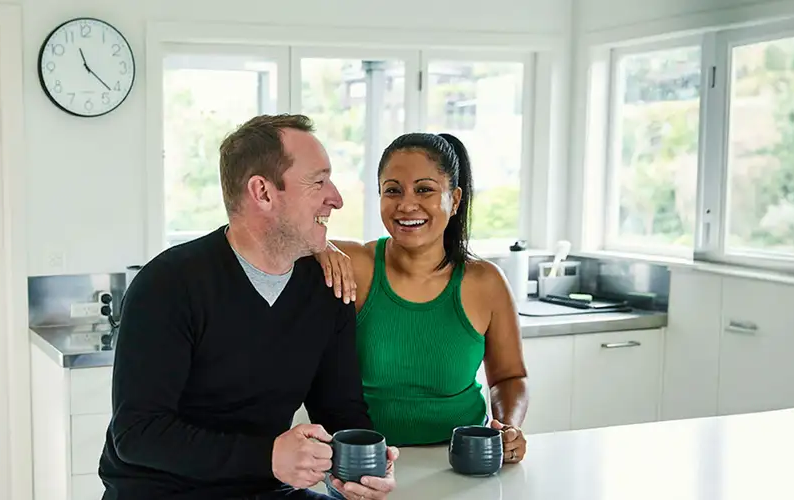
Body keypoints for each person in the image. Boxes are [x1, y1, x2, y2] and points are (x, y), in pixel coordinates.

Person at [98, 114, 399, 500]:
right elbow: (138, 435)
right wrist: (268, 456)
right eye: (318, 181)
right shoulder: (168, 286)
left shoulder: (328, 288)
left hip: (264, 489)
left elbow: (341, 411)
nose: (336, 197)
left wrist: (359, 466)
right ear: (263, 192)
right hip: (160, 491)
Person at [314, 132, 529, 463]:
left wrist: (509, 427)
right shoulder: (357, 265)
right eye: (392, 190)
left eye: (425, 189)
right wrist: (320, 246)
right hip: (368, 465)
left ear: (455, 200)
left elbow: (509, 377)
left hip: (460, 462)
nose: (406, 204)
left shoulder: (485, 283)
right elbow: (281, 236)